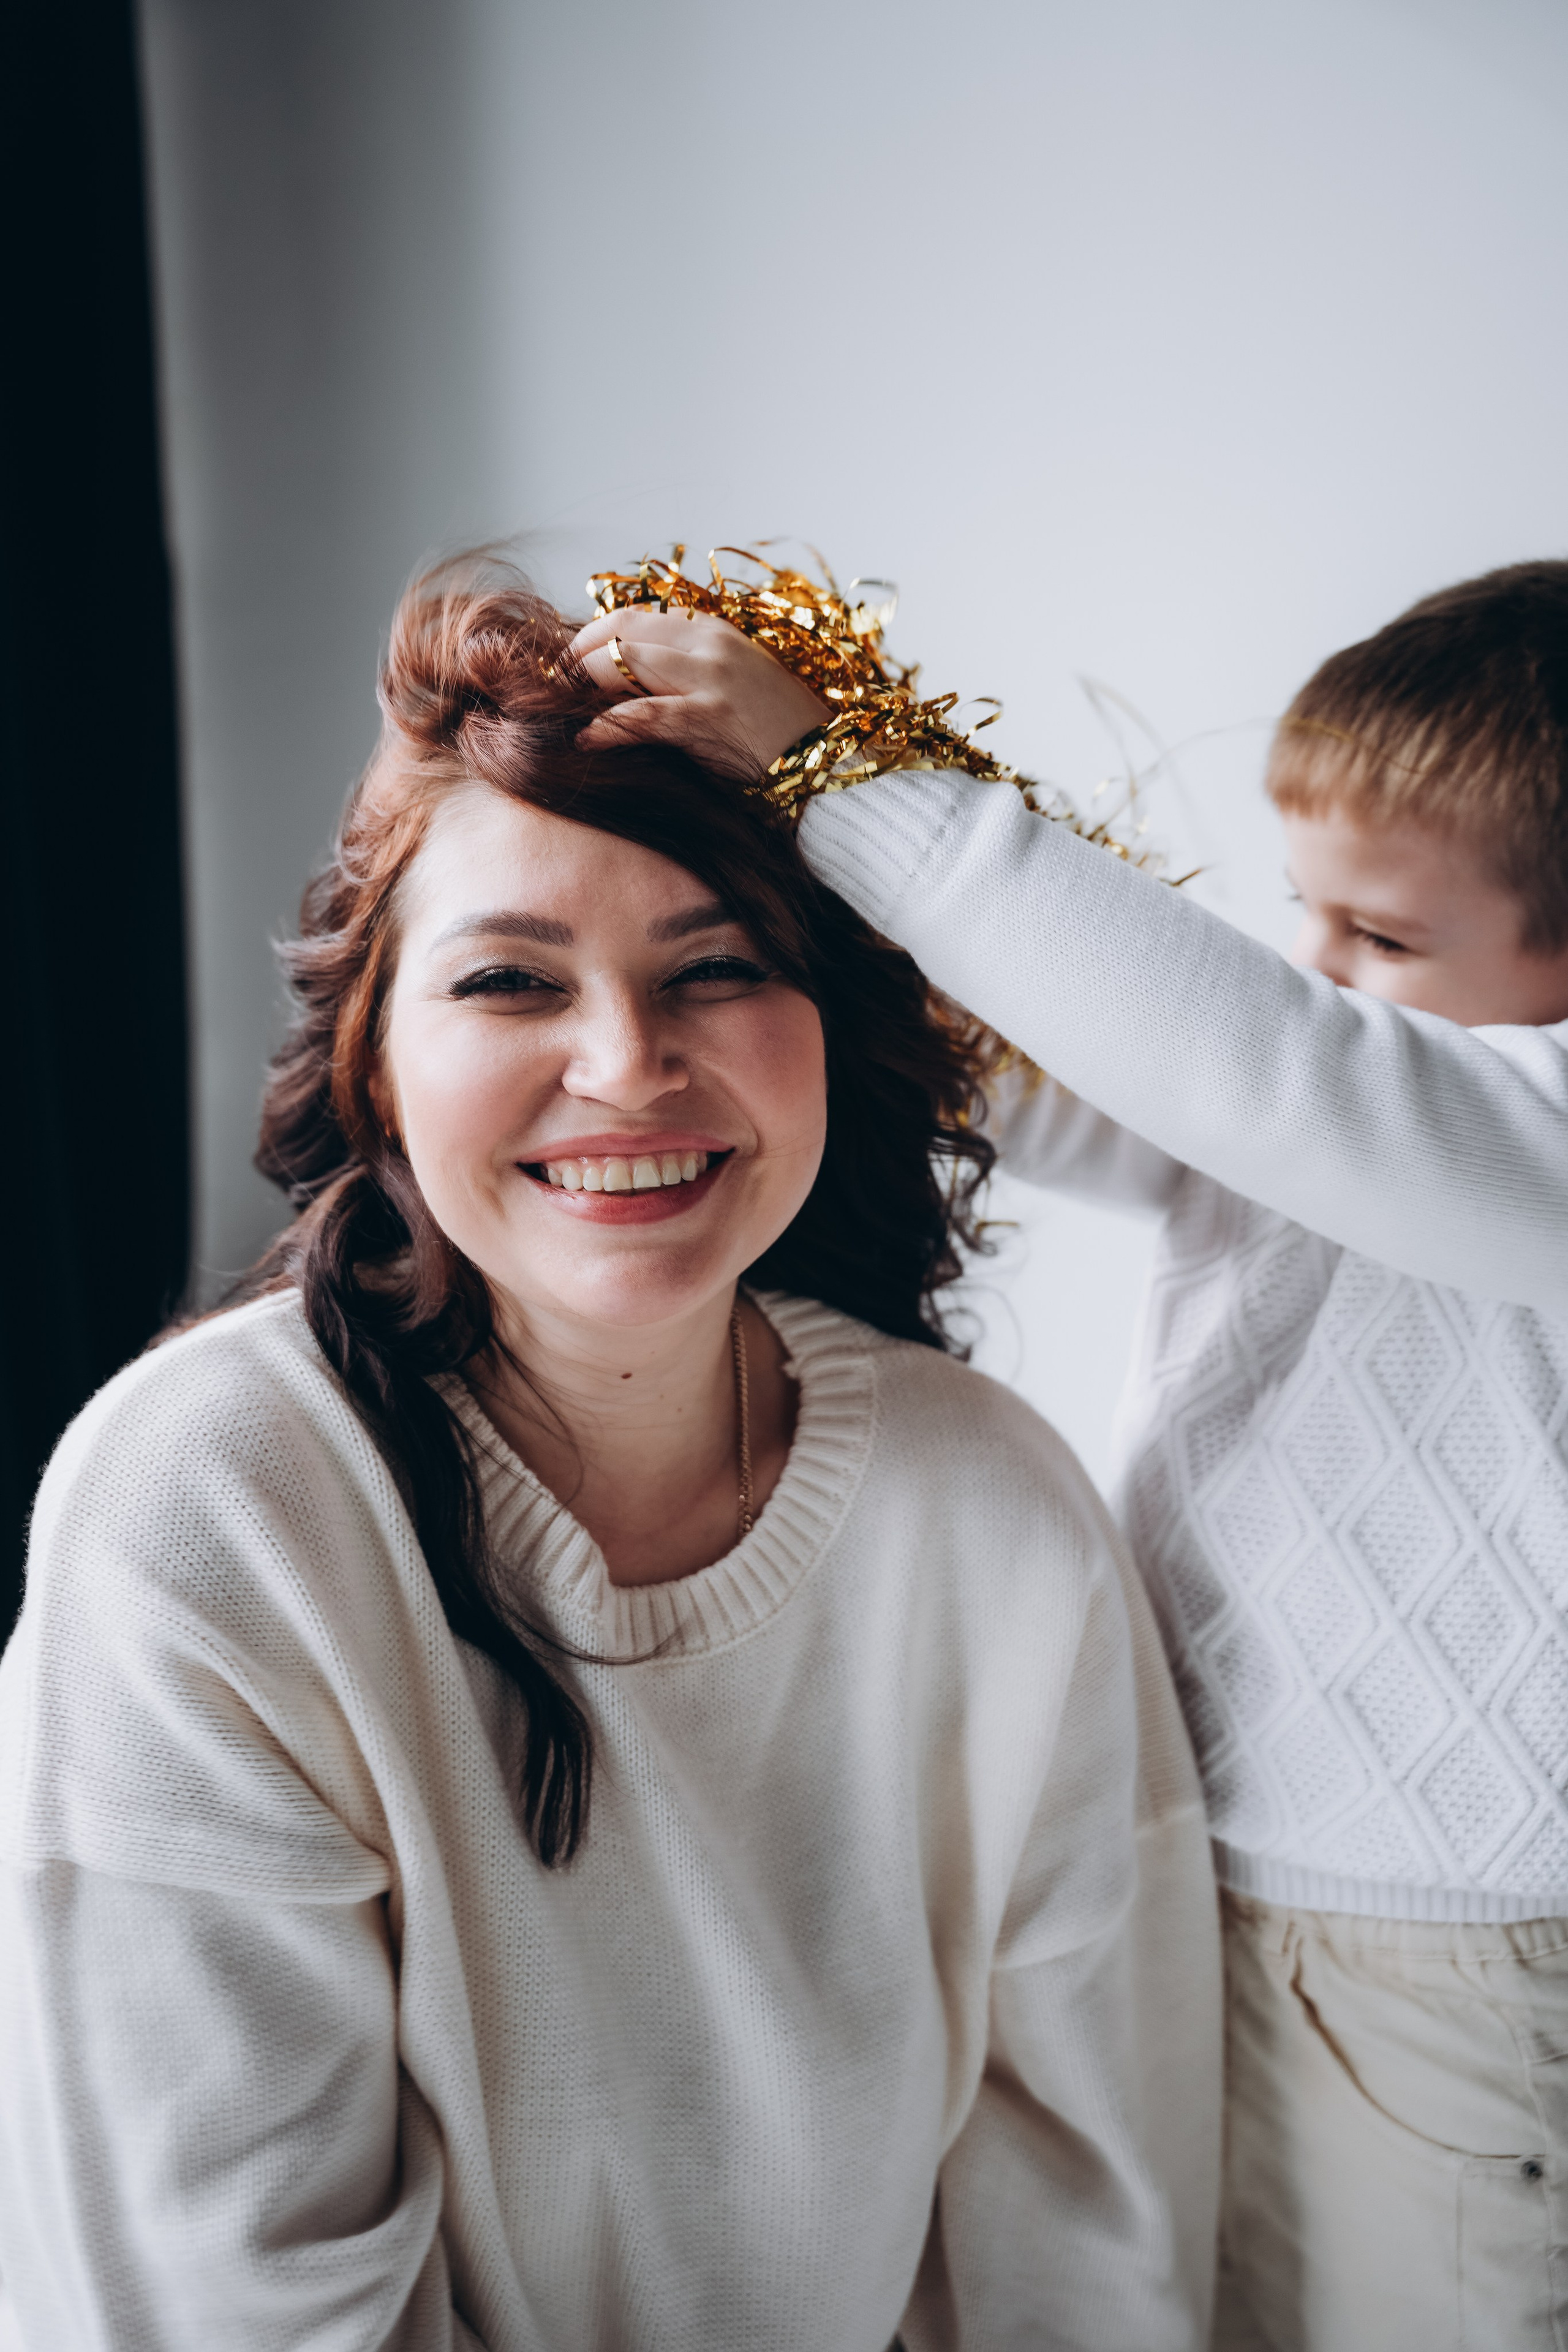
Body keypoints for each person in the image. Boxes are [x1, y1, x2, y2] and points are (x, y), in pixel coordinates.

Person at [0, 557, 1219, 2351]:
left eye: (716, 966)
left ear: (835, 1032)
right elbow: (231, 2297)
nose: (629, 1061)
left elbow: (1088, 2244)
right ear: (376, 1062)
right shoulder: (216, 1502)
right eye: (509, 982)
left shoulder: (995, 1510)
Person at [577, 560, 1568, 2351]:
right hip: (1256, 1892)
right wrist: (760, 861)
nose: (1321, 977)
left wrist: (859, 782)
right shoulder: (1299, 1114)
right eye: (1309, 920)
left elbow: (1264, 1062)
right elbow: (1059, 1074)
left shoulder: (1492, 1138)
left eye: (1388, 944)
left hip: (1453, 1947)